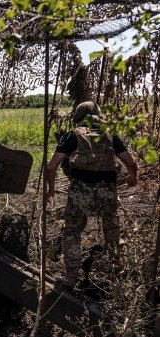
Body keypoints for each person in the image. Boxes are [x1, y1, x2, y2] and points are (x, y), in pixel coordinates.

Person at [46, 101, 138, 289]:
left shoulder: (73, 136)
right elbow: (131, 162)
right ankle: (117, 275)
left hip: (81, 194)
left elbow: (51, 166)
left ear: (78, 117)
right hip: (108, 193)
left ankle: (71, 277)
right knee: (112, 230)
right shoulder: (110, 135)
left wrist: (52, 189)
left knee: (72, 232)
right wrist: (132, 178)